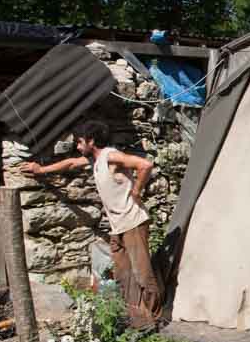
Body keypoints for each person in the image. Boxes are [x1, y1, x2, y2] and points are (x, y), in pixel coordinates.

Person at [21, 120, 162, 329]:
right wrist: (40, 170)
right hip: (118, 227)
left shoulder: (110, 157)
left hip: (133, 222)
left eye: (79, 142)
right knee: (124, 276)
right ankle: (139, 322)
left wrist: (137, 190)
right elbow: (69, 163)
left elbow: (145, 165)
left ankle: (157, 319)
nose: (78, 147)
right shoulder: (93, 160)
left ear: (91, 141)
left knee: (142, 274)